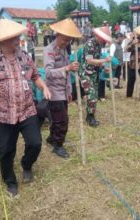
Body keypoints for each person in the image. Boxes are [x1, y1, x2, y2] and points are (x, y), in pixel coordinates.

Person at [0, 19, 51, 197]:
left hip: (27, 110)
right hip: (5, 114)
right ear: (3, 40)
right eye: (14, 38)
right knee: (6, 150)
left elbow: (35, 76)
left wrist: (44, 87)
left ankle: (26, 164)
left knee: (35, 143)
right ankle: (10, 181)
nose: (18, 41)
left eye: (18, 37)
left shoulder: (25, 56)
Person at [44, 18, 82, 159]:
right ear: (57, 35)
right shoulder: (49, 50)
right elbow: (48, 73)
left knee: (57, 119)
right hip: (53, 91)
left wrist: (69, 91)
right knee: (63, 121)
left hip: (63, 90)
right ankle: (58, 145)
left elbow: (67, 74)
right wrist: (67, 68)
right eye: (65, 40)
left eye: (69, 41)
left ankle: (52, 138)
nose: (66, 43)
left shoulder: (65, 49)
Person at [80, 25, 112, 127]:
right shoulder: (89, 44)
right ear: (99, 36)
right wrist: (104, 60)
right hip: (86, 73)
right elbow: (90, 60)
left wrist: (103, 66)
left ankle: (90, 114)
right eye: (103, 40)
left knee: (94, 95)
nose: (104, 42)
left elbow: (97, 60)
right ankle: (90, 117)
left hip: (94, 73)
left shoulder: (99, 45)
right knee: (92, 95)